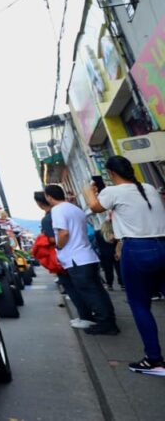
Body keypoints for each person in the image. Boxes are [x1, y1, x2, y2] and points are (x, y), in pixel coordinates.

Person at [82, 156, 165, 374]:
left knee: (139, 304)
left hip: (137, 249)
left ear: (110, 173)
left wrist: (89, 190)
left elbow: (94, 207)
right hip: (162, 244)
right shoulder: (148, 188)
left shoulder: (112, 192)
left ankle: (154, 359)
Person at [46, 183, 119, 335]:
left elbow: (63, 233)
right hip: (87, 255)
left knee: (90, 292)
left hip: (76, 258)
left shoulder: (58, 210)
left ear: (49, 197)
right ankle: (108, 320)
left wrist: (59, 246)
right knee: (98, 290)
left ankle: (106, 323)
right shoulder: (74, 208)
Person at [93, 219, 122, 290]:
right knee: (119, 269)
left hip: (104, 255)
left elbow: (96, 244)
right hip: (115, 253)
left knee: (108, 270)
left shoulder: (98, 233)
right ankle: (122, 283)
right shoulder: (114, 233)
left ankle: (109, 284)